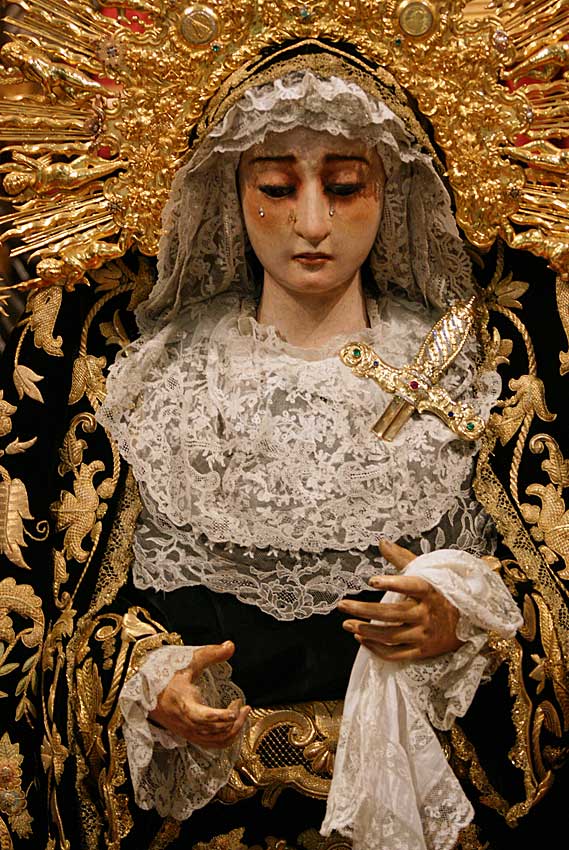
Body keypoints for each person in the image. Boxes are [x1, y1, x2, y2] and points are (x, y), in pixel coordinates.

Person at [93, 51, 521, 850]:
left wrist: (464, 622)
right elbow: (67, 612)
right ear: (229, 194)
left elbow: (547, 589)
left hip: (418, 796)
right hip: (213, 811)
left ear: (393, 192)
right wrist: (147, 677)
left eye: (346, 186)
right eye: (277, 188)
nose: (314, 224)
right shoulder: (155, 384)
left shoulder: (477, 375)